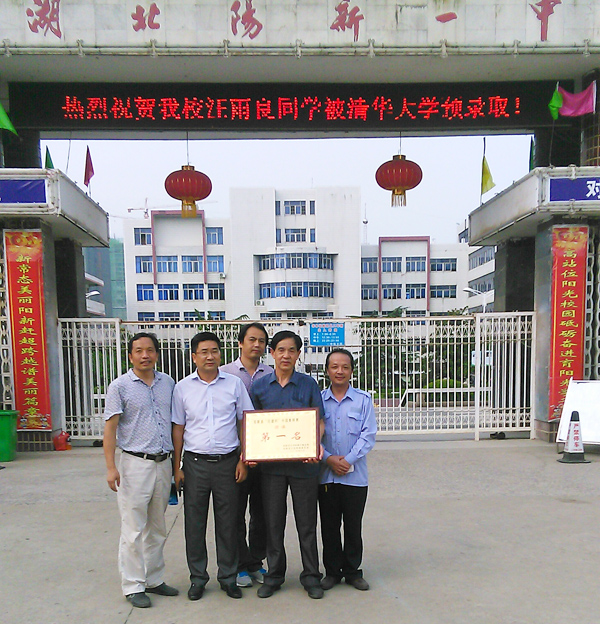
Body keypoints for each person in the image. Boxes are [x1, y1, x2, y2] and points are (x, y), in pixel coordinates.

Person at [172, 331, 253, 601]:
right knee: (194, 524)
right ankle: (198, 578)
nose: (210, 356)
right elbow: (178, 428)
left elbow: (246, 422)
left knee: (228, 523)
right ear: (194, 357)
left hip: (228, 463)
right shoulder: (183, 388)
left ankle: (228, 577)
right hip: (194, 464)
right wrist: (177, 467)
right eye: (204, 352)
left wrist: (243, 459)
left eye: (214, 351)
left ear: (220, 354)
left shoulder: (234, 385)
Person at [103, 332, 178, 609]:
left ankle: (154, 579)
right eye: (139, 350)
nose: (145, 355)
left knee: (157, 526)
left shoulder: (168, 383)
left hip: (163, 463)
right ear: (130, 355)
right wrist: (111, 467)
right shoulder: (120, 387)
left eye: (149, 350)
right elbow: (110, 428)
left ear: (156, 353)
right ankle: (133, 585)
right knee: (133, 528)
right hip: (135, 463)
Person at [250, 330, 325, 600]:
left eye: (291, 350)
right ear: (271, 353)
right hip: (271, 469)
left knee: (307, 525)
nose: (286, 355)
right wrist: (252, 451)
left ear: (298, 354)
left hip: (304, 467)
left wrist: (315, 445)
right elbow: (252, 425)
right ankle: (274, 576)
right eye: (280, 350)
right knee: (273, 524)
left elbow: (319, 421)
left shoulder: (308, 384)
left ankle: (311, 576)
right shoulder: (259, 387)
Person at [318, 348, 377, 592]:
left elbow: (368, 435)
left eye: (345, 367)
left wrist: (348, 460)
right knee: (329, 526)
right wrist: (329, 459)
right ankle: (332, 572)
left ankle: (353, 571)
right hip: (326, 476)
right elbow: (311, 435)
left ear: (352, 370)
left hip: (355, 477)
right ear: (327, 370)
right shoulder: (318, 400)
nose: (339, 371)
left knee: (353, 526)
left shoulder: (363, 400)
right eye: (334, 366)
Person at [220, 322, 273, 588]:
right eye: (252, 339)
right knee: (235, 511)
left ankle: (256, 562)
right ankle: (240, 564)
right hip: (235, 454)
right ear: (240, 342)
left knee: (262, 511)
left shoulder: (272, 373)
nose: (257, 345)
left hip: (265, 453)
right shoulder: (224, 374)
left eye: (261, 341)